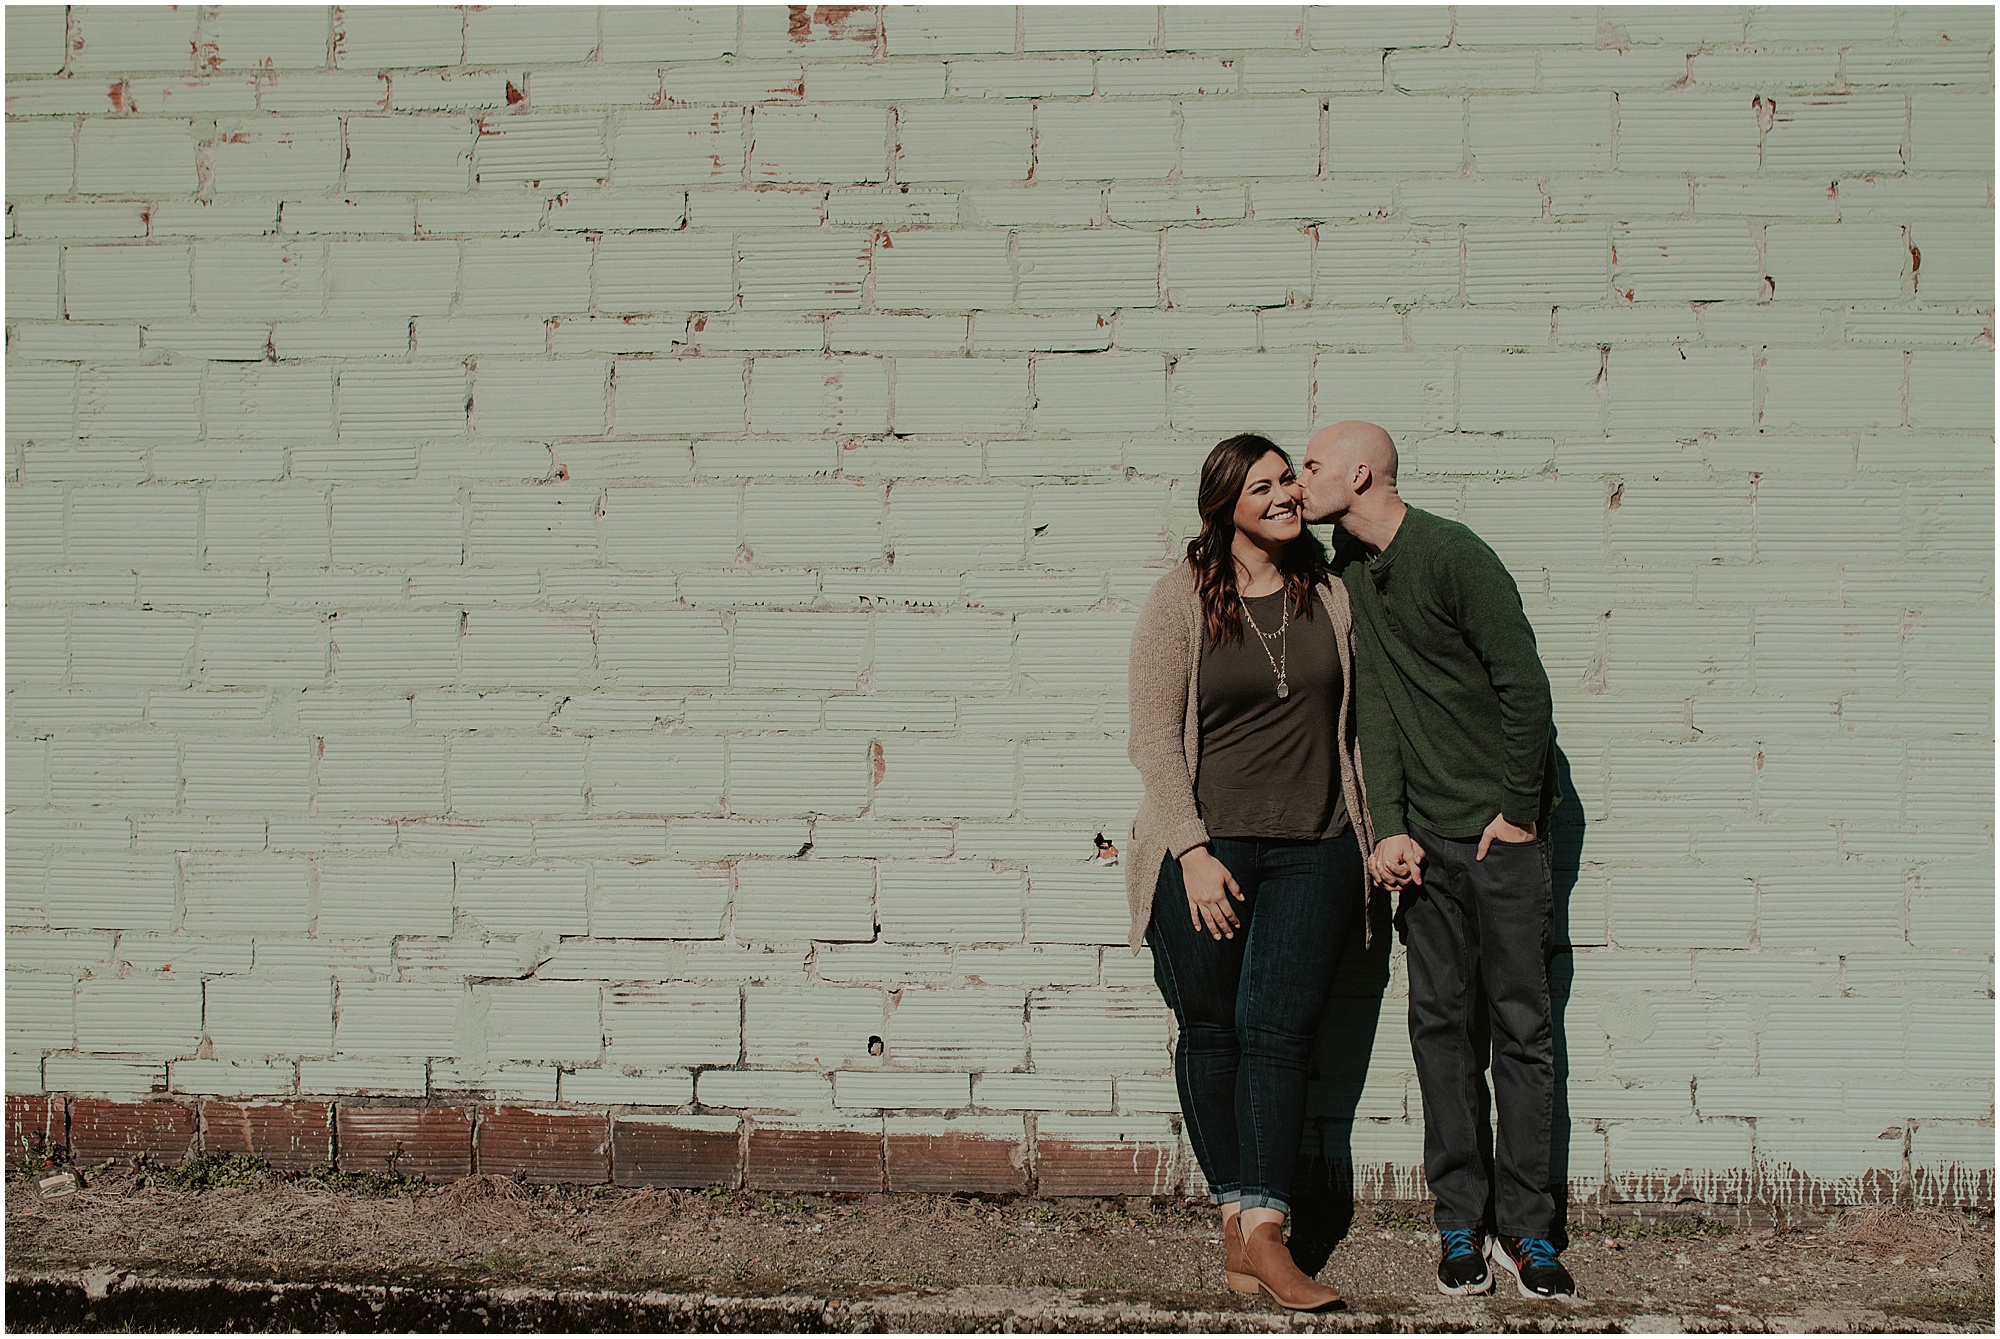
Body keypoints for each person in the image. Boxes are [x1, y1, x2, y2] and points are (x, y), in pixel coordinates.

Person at [1296, 421, 1576, 1300]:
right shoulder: (1349, 577)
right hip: (1425, 849)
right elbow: (1374, 712)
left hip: (1500, 839)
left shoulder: (1453, 556)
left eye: (1310, 466)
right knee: (1441, 1036)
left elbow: (1524, 685)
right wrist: (1389, 828)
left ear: (1362, 472)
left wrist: (1518, 817)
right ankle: (1461, 1224)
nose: (1298, 481)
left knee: (1522, 1033)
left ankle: (1529, 1232)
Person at [1125, 434, 1377, 1311]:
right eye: (1262, 486)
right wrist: (1191, 853)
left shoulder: (1333, 598)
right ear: (1225, 505)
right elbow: (1154, 739)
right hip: (1207, 850)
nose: (1283, 496)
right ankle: (1238, 1217)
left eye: (1287, 482)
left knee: (1277, 1031)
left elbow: (1358, 730)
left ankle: (1267, 1233)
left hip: (1317, 847)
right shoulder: (1181, 601)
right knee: (1211, 1028)